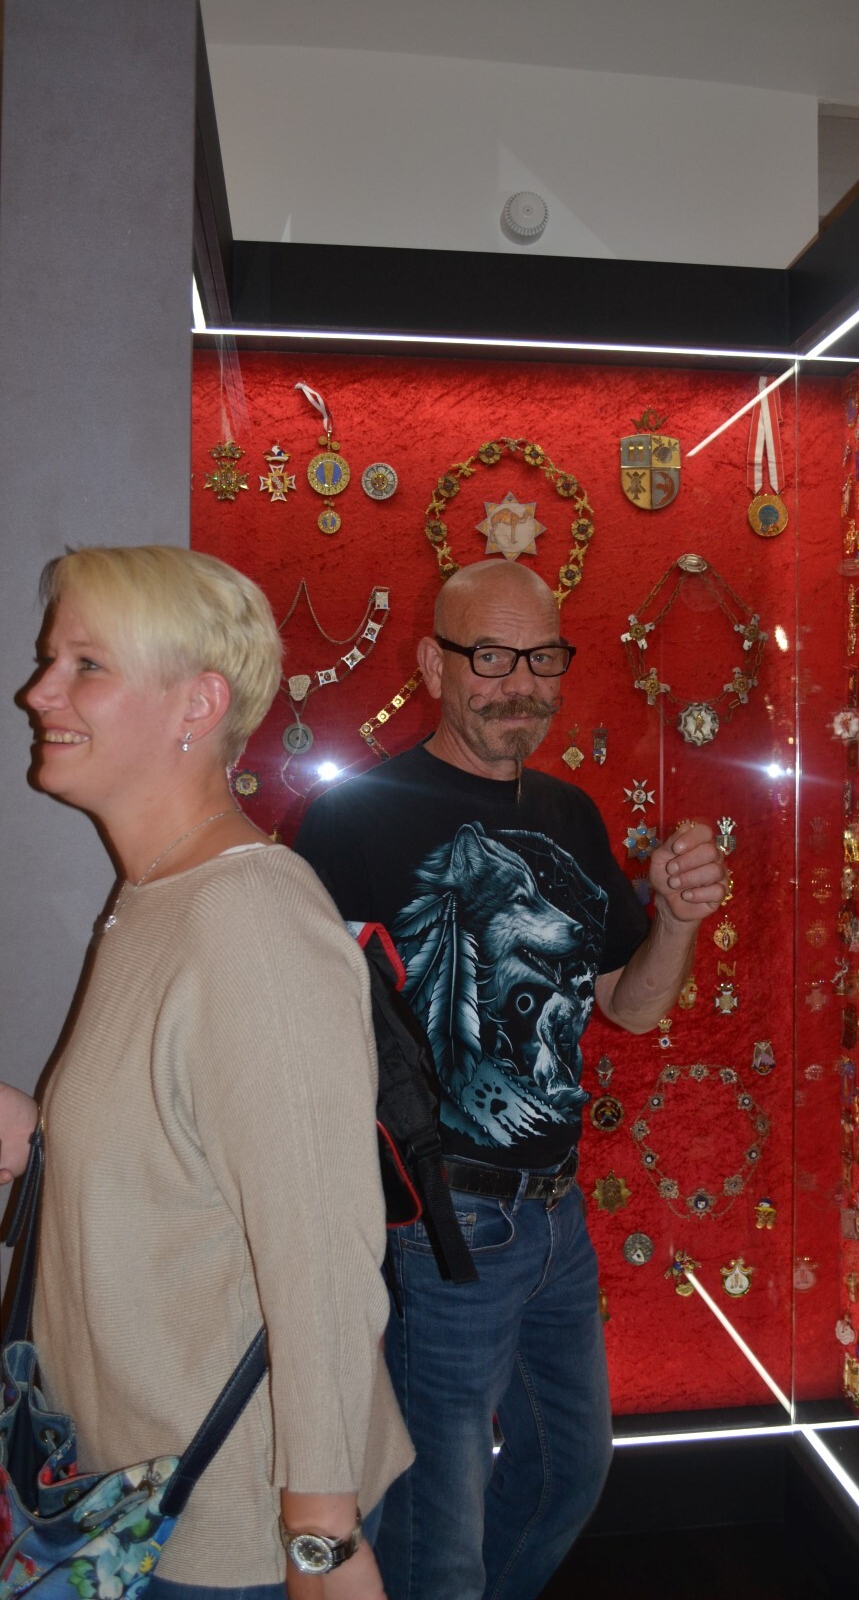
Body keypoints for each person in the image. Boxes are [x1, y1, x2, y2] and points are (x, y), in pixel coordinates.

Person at [294, 558, 725, 1600]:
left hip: (555, 1219)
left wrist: (676, 920)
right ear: (432, 664)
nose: (518, 684)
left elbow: (630, 1005)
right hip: (437, 1227)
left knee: (568, 1473)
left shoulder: (570, 814)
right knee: (437, 1535)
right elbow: (296, 1030)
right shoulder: (353, 817)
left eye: (541, 658)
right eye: (489, 657)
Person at [3, 545, 413, 1600]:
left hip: (222, 1532)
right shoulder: (157, 894)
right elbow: (188, 1153)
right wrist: (41, 1133)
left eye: (85, 664)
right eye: (51, 661)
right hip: (120, 1491)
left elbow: (320, 1256)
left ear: (199, 703)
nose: (37, 693)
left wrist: (321, 1539)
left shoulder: (247, 918)